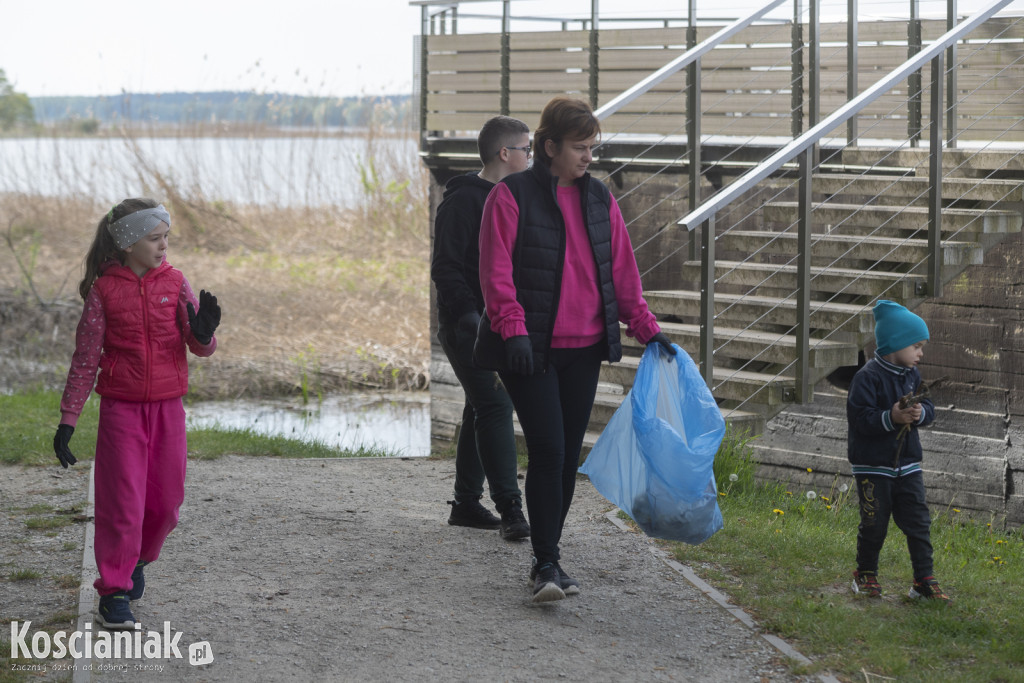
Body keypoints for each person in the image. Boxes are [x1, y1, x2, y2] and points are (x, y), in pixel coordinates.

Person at [477, 97, 675, 602]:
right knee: (549, 450)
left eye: (593, 147)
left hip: (583, 347)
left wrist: (647, 328)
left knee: (566, 460)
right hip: (529, 348)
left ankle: (551, 555)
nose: (589, 156)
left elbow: (622, 272)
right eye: (580, 147)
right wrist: (513, 329)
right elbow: (496, 274)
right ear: (550, 147)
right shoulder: (511, 196)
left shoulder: (600, 199)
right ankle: (544, 564)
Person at [53, 198, 222, 629]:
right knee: (122, 505)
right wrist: (68, 419)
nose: (164, 245)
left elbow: (197, 346)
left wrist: (204, 335)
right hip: (121, 413)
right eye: (155, 238)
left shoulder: (176, 281)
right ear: (128, 243)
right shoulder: (104, 291)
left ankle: (139, 561)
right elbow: (85, 359)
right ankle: (113, 592)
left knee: (165, 504)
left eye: (166, 236)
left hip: (168, 410)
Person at [431, 115, 531, 541]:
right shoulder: (462, 202)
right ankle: (511, 507)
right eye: (527, 148)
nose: (533, 155)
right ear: (504, 153)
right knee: (494, 405)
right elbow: (446, 269)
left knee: (479, 406)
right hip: (466, 325)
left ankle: (467, 503)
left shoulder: (518, 197)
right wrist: (471, 318)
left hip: (503, 322)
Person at [846, 300, 948, 602]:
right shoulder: (867, 377)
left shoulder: (912, 376)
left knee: (919, 523)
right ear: (895, 343)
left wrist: (920, 414)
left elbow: (928, 407)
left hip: (908, 466)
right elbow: (860, 419)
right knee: (874, 524)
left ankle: (923, 580)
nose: (921, 353)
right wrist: (891, 417)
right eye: (916, 346)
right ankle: (865, 574)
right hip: (873, 467)